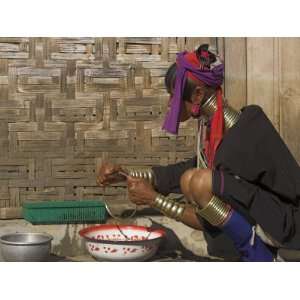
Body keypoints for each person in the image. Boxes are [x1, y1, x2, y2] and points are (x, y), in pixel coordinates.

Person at [97, 44, 300, 261]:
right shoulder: (218, 131)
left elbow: (204, 215)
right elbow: (187, 171)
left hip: (287, 228)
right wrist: (127, 175)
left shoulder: (242, 136)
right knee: (192, 178)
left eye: (173, 96)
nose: (169, 104)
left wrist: (154, 199)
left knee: (198, 181)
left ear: (197, 95)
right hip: (270, 220)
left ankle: (261, 257)